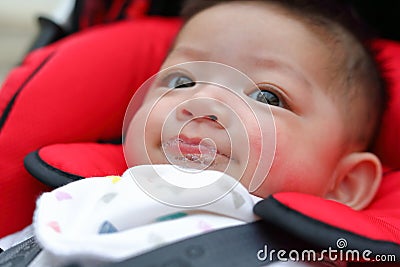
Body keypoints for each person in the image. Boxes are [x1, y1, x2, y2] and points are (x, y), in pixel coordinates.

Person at [1, 0, 387, 266]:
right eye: (182, 81)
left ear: (346, 184)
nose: (204, 103)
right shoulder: (74, 202)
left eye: (267, 96)